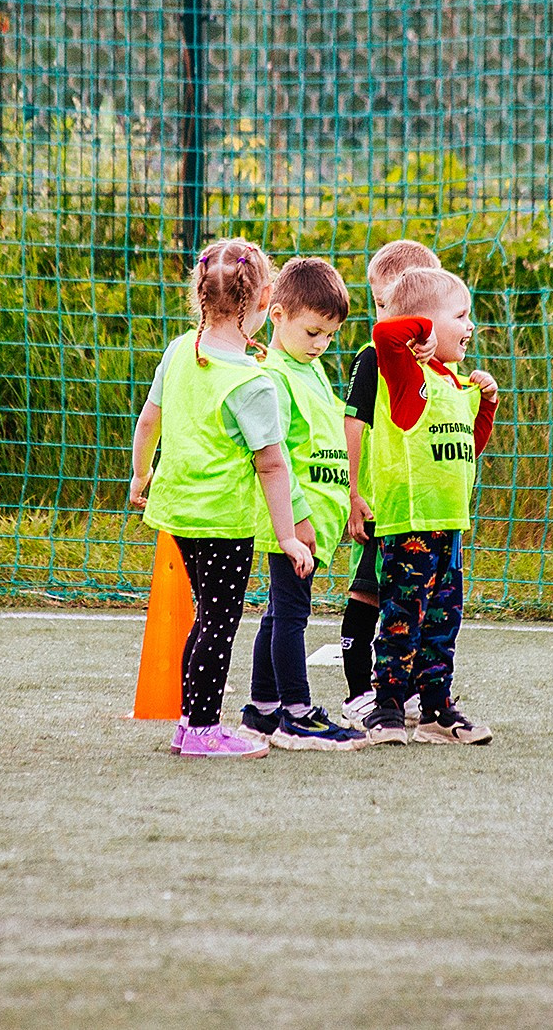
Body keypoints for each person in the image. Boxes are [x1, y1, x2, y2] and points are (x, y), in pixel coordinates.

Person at [128, 238, 315, 760]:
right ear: (261, 303)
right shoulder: (252, 382)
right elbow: (272, 464)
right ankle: (202, 729)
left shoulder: (179, 351)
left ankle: (191, 723)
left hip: (178, 512)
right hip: (222, 520)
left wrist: (139, 477)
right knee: (219, 621)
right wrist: (285, 534)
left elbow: (148, 421)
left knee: (206, 615)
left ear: (200, 293)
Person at [357, 267, 500, 746]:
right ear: (425, 324)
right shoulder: (402, 372)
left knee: (443, 620)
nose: (470, 326)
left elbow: (469, 448)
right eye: (460, 316)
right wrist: (419, 331)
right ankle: (388, 708)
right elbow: (384, 332)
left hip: (450, 525)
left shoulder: (457, 383)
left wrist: (487, 406)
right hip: (410, 523)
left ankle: (437, 709)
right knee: (403, 616)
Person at [237, 257, 370, 751]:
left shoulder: (311, 371)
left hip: (316, 519)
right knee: (292, 614)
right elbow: (276, 457)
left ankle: (262, 710)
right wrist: (298, 517)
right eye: (313, 331)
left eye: (330, 336)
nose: (320, 344)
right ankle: (297, 713)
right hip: (293, 521)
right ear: (277, 315)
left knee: (279, 610)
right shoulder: (273, 375)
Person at [338, 239, 444, 720]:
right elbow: (354, 425)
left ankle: (414, 688)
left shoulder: (441, 365)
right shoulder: (372, 355)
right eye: (377, 303)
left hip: (422, 507)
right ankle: (359, 690)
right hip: (383, 503)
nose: (381, 315)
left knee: (418, 597)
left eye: (389, 305)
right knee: (369, 589)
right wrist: (355, 493)